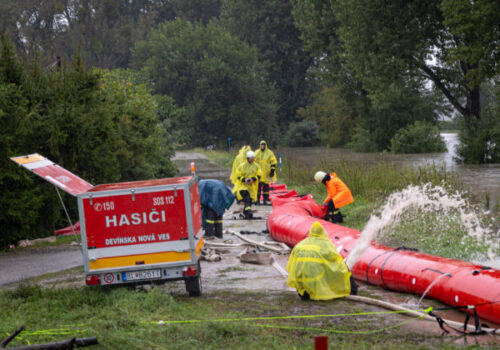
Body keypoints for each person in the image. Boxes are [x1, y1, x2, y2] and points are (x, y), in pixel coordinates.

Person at [287, 221, 357, 300]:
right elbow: (337, 263)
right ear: (323, 232)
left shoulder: (299, 245)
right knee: (343, 267)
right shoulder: (326, 244)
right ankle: (352, 291)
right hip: (317, 285)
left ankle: (305, 292)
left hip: (302, 290)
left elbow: (291, 266)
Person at [232, 151, 262, 219]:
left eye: (253, 158)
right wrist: (244, 179)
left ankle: (247, 213)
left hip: (251, 186)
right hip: (242, 186)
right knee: (247, 197)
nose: (252, 159)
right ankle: (248, 211)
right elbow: (237, 175)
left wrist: (253, 179)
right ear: (247, 158)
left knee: (250, 199)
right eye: (250, 158)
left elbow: (259, 175)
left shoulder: (256, 166)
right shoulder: (242, 166)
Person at [254, 140, 277, 205]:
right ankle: (257, 200)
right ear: (260, 145)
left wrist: (272, 170)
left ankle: (265, 200)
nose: (262, 146)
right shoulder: (256, 152)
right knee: (257, 188)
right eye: (261, 145)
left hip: (266, 174)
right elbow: (253, 162)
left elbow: (273, 162)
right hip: (258, 174)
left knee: (266, 189)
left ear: (265, 145)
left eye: (263, 145)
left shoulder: (270, 153)